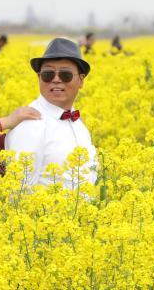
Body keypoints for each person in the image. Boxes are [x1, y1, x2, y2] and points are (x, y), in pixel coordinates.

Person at [6, 38, 98, 191]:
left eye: (65, 75)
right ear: (39, 78)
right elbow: (20, 192)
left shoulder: (78, 123)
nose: (56, 80)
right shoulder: (31, 123)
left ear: (81, 80)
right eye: (48, 74)